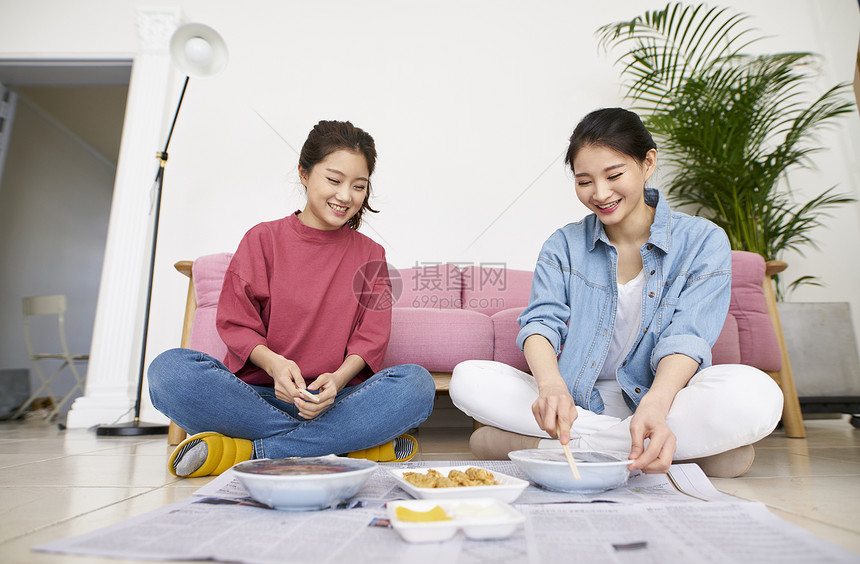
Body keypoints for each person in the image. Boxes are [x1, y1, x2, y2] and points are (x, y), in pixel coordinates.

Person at [449, 108, 783, 478]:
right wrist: (551, 386)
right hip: (578, 402)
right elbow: (541, 323)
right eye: (584, 181)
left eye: (614, 175)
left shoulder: (703, 240)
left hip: (666, 400)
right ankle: (666, 451)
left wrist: (654, 407)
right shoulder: (564, 245)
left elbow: (688, 337)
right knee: (468, 378)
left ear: (648, 162)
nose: (600, 193)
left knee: (757, 393)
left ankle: (549, 447)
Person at [148, 120, 435, 477]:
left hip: (336, 403)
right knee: (168, 372)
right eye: (334, 180)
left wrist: (339, 379)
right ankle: (345, 446)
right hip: (257, 398)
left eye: (358, 186)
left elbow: (371, 336)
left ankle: (251, 452)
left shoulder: (371, 254)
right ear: (304, 173)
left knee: (417, 385)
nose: (345, 196)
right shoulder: (262, 239)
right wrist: (275, 366)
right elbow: (236, 324)